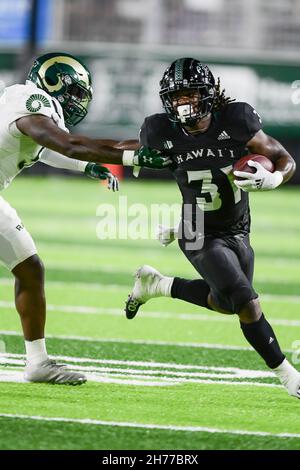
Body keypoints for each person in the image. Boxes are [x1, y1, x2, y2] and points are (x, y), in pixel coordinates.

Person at [125, 57, 300, 399]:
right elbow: (125, 152)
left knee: (225, 303)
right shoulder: (160, 130)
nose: (183, 103)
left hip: (238, 228)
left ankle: (158, 285)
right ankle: (288, 376)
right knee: (246, 302)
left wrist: (275, 177)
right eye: (176, 97)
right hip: (197, 232)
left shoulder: (236, 120)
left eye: (189, 94)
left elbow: (284, 158)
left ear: (207, 94)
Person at [0, 52, 171, 385]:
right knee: (28, 267)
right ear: (53, 82)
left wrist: (88, 167)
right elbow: (69, 145)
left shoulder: (27, 105)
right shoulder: (31, 99)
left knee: (29, 268)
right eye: (75, 92)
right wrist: (130, 154)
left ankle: (37, 363)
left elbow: (48, 148)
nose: (78, 102)